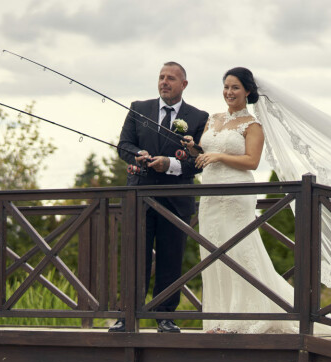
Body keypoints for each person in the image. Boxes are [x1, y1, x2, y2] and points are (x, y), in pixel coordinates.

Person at [181, 67, 296, 334]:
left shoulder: (252, 125)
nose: (229, 92)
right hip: (210, 193)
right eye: (226, 87)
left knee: (237, 251)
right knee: (213, 252)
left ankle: (241, 317)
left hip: (235, 194)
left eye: (235, 88)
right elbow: (207, 152)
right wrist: (192, 148)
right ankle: (217, 318)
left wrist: (219, 157)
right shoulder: (213, 119)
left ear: (247, 91)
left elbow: (252, 161)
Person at [110, 62, 209, 333]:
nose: (165, 82)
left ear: (183, 85)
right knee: (135, 257)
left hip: (176, 199)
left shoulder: (199, 117)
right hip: (139, 196)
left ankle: (164, 316)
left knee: (170, 258)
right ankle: (126, 316)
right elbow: (124, 146)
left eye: (171, 78)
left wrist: (171, 164)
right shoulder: (138, 108)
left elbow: (199, 159)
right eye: (161, 77)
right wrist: (138, 156)